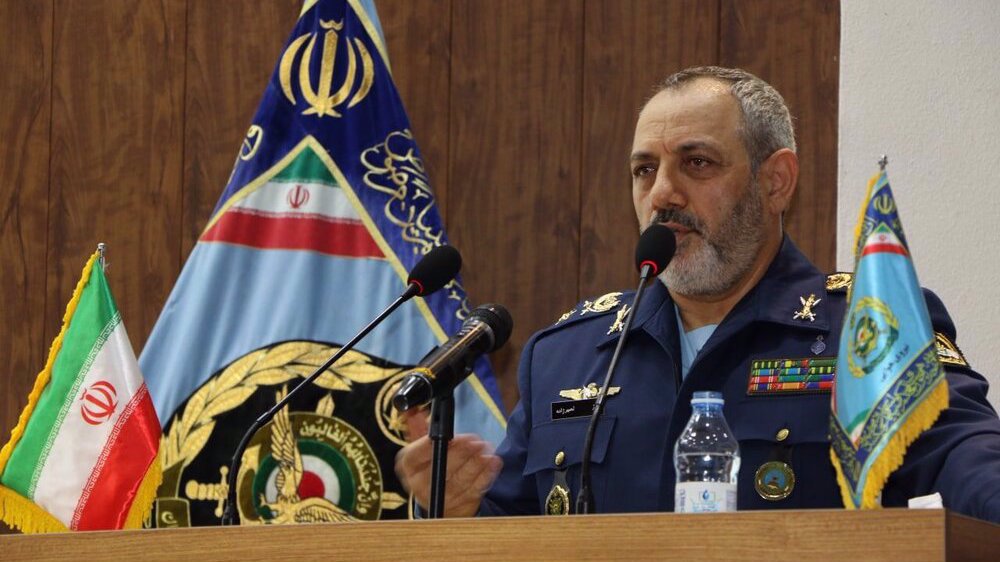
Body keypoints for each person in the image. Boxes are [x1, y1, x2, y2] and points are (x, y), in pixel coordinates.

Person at [395, 66, 1000, 522]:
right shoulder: (566, 356)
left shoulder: (863, 328)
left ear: (776, 180)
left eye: (697, 163)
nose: (662, 193)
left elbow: (971, 459)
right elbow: (518, 533)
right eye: (644, 169)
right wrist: (457, 508)